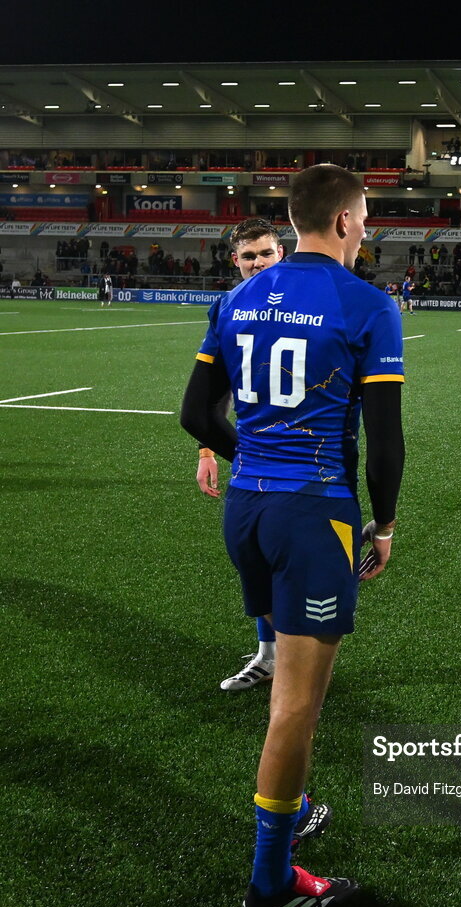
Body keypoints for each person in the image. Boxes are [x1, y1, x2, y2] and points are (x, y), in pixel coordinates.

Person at [181, 164, 405, 907]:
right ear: (343, 221)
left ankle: (296, 806)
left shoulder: (236, 297)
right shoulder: (366, 303)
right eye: (365, 215)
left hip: (244, 512)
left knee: (287, 687)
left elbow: (195, 416)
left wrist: (252, 458)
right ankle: (270, 881)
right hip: (313, 517)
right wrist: (387, 522)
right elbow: (384, 444)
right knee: (295, 708)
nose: (366, 226)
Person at [194, 217, 286, 692]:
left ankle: (300, 657)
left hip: (307, 459)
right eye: (249, 256)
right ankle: (269, 655)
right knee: (253, 557)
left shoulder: (308, 302)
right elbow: (217, 392)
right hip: (253, 458)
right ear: (235, 260)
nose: (257, 263)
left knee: (298, 562)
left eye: (265, 253)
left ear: (281, 252)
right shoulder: (228, 307)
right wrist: (210, 448)